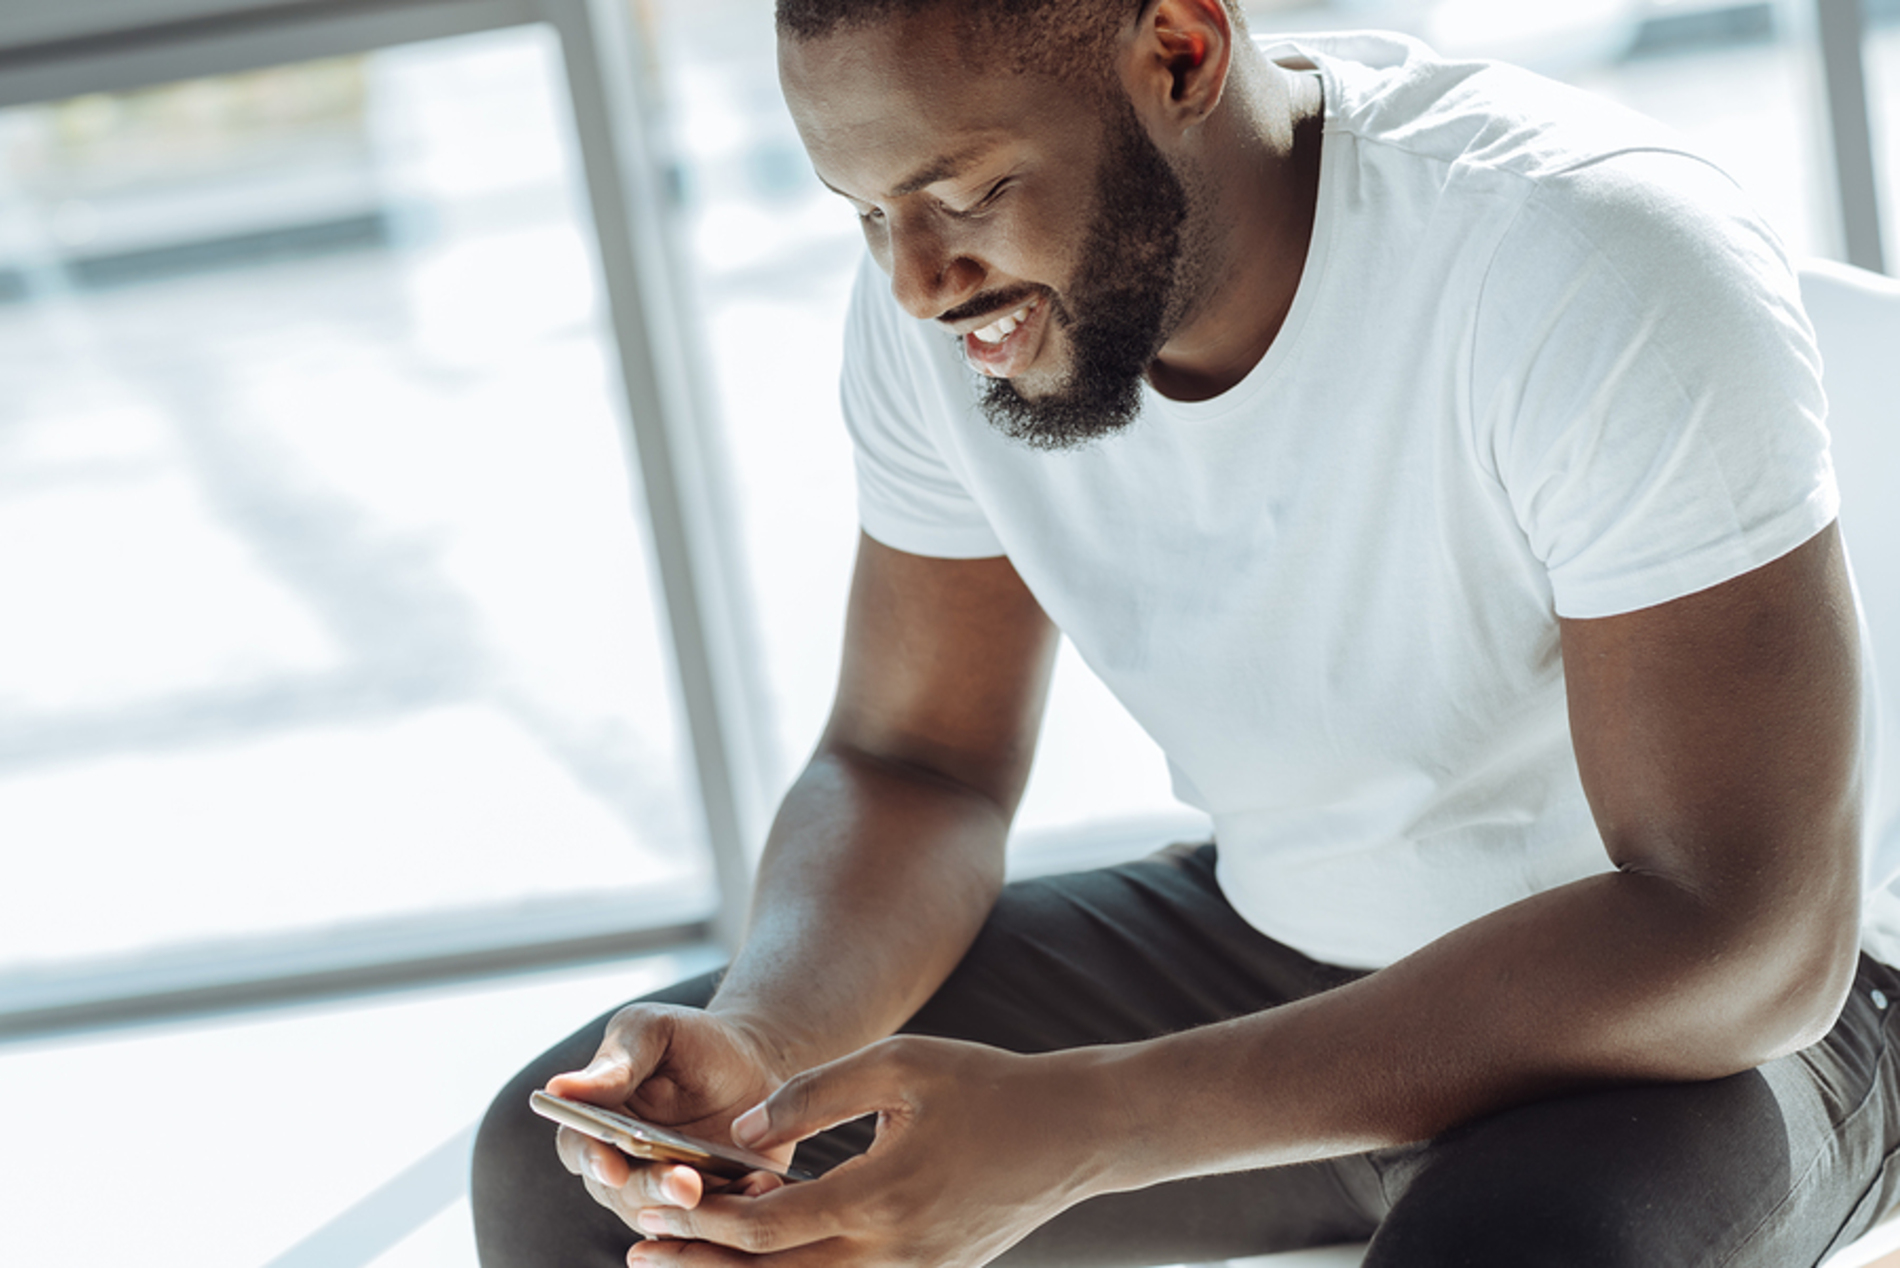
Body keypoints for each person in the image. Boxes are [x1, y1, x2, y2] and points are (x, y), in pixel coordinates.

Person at [471, 1, 1900, 1264]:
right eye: (864, 209)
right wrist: (770, 1043)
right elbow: (916, 761)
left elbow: (1746, 935)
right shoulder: (948, 309)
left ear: (1180, 50)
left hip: (1695, 1021)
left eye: (964, 186)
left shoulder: (1578, 259)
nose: (915, 279)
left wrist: (1099, 1123)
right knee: (590, 1198)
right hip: (1290, 942)